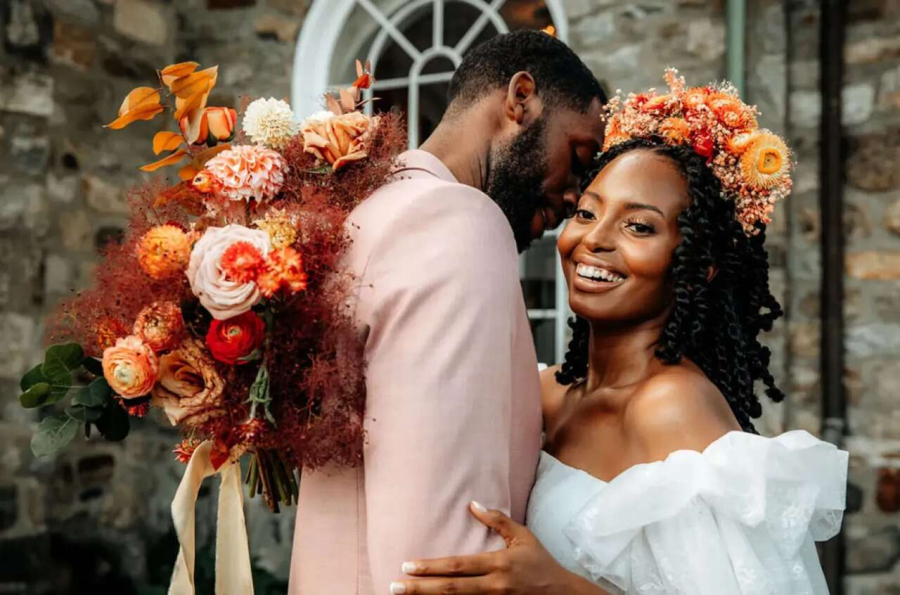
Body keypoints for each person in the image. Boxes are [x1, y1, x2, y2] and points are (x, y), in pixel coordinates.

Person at [394, 70, 848, 594]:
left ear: (700, 266)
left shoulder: (670, 407)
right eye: (587, 213)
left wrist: (556, 588)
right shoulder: (544, 393)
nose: (595, 240)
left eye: (639, 226)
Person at [288, 31, 606, 595]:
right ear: (521, 99)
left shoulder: (367, 210)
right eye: (578, 157)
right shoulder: (458, 220)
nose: (574, 198)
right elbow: (444, 552)